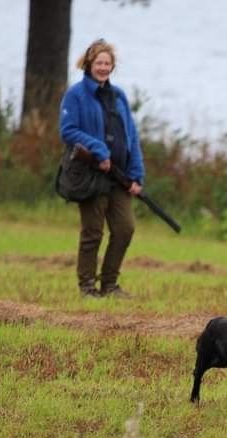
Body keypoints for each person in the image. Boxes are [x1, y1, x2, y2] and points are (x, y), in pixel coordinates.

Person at [59, 39, 145, 298]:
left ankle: (109, 284)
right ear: (88, 64)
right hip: (89, 174)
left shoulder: (119, 96)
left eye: (108, 63)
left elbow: (131, 134)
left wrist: (136, 173)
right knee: (93, 232)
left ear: (113, 66)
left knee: (124, 228)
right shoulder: (75, 95)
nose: (103, 67)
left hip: (118, 176)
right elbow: (68, 131)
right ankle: (87, 286)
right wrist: (97, 149)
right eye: (99, 63)